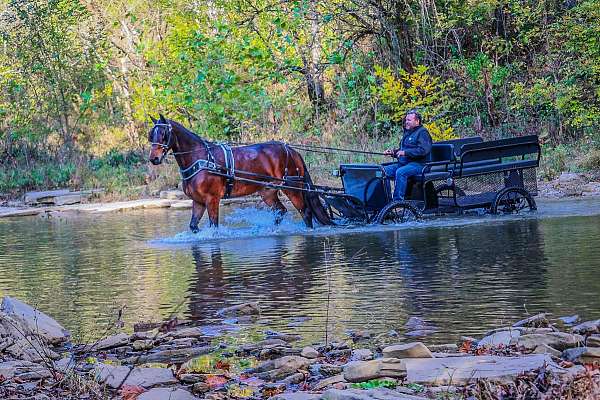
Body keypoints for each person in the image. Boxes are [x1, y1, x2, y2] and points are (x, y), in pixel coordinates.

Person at [383, 110, 432, 201]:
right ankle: (386, 200)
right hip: (404, 163)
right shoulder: (407, 132)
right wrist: (393, 152)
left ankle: (398, 202)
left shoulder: (422, 133)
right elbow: (402, 150)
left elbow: (423, 150)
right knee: (382, 171)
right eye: (406, 120)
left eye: (409, 120)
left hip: (419, 165)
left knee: (400, 172)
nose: (406, 122)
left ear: (417, 121)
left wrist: (406, 153)